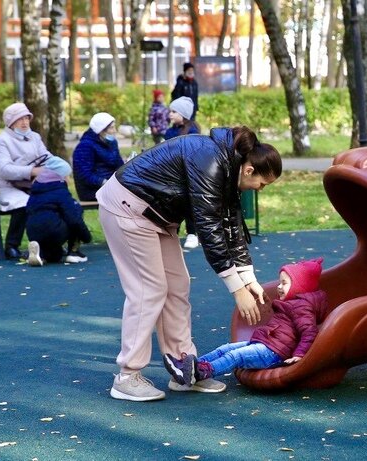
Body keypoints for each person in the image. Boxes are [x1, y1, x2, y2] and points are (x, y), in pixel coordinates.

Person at [95, 125, 282, 402]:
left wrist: (249, 279)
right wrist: (237, 290)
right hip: (128, 209)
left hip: (157, 217)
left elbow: (230, 223)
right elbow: (209, 227)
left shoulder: (229, 166)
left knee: (177, 286)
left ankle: (184, 369)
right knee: (150, 290)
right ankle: (127, 376)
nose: (261, 190)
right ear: (249, 170)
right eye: (262, 184)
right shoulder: (211, 161)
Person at [163, 258, 329, 388]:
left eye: (284, 283)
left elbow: (309, 331)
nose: (279, 287)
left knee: (235, 355)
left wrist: (299, 354)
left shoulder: (302, 307)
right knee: (225, 348)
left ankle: (200, 373)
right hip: (267, 344)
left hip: (274, 353)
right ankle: (189, 367)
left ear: (301, 286)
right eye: (280, 282)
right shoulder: (293, 303)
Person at [0, 102, 53, 260]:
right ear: (10, 122)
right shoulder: (0, 141)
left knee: (55, 200)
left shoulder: (35, 137)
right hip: (5, 187)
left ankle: (49, 245)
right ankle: (11, 246)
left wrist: (58, 168)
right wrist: (32, 171)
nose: (24, 122)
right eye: (19, 119)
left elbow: (47, 158)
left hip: (33, 185)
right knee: (25, 203)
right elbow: (3, 169)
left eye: (27, 118)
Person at [164, 96, 203, 249]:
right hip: (172, 172)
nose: (170, 114)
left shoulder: (193, 130)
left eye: (174, 111)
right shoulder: (169, 131)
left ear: (183, 114)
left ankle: (192, 233)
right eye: (170, 111)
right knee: (172, 202)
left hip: (188, 172)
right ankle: (173, 232)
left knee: (189, 201)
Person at [72, 112, 124, 202]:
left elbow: (119, 164)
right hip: (92, 190)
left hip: (112, 185)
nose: (115, 131)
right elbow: (84, 175)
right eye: (111, 128)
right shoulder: (85, 146)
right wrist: (105, 182)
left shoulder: (112, 143)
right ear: (101, 130)